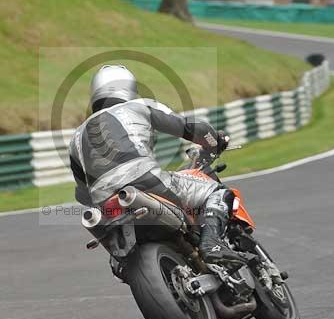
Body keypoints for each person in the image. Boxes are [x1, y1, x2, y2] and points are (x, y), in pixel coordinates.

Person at [68, 64, 246, 269]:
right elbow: (190, 128)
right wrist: (214, 142)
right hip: (146, 180)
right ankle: (212, 243)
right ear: (129, 87)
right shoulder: (138, 106)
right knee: (218, 193)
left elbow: (83, 194)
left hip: (105, 203)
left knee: (118, 264)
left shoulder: (75, 137)